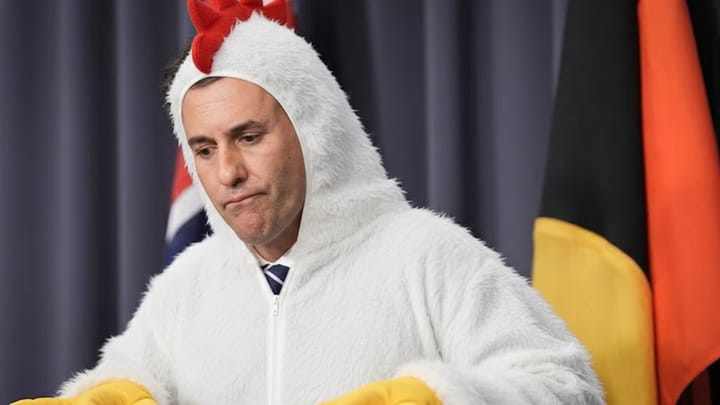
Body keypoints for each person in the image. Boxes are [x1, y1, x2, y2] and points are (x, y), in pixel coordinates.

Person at [13, 1, 604, 404]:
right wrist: (111, 393)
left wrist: (432, 396)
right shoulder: (187, 284)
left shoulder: (428, 256)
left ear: (315, 132)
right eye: (204, 149)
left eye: (249, 136)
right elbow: (130, 374)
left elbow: (566, 386)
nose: (228, 173)